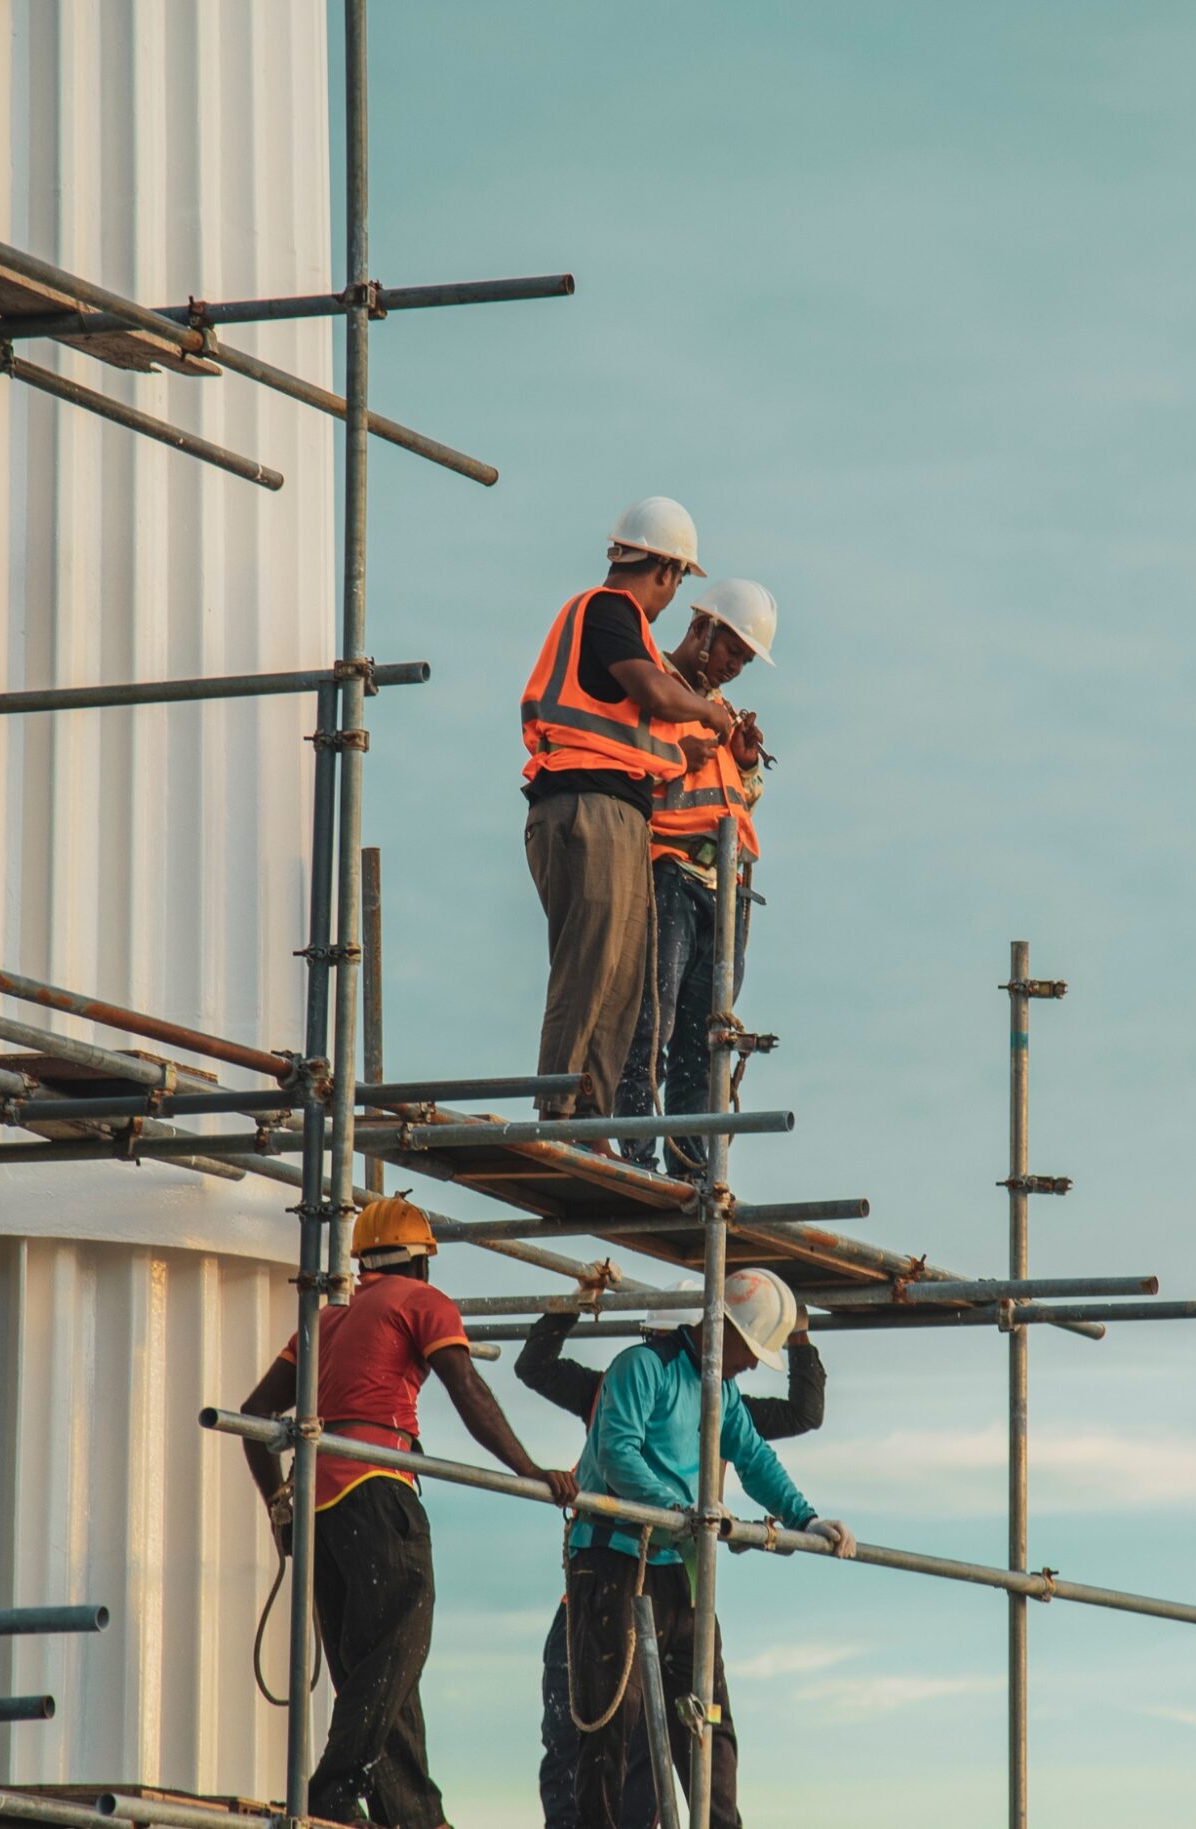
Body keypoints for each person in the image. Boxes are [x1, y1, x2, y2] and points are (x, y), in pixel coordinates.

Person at [237, 1194, 579, 1828]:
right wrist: (529, 1469)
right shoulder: (421, 1301)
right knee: (399, 1646)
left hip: (318, 1506)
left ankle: (413, 1815)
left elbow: (254, 1417)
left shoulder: (324, 1321)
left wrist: (280, 1503)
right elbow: (467, 1388)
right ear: (420, 1261)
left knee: (374, 1666)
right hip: (377, 1485)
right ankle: (333, 1789)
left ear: (364, 1261)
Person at [517, 1284, 828, 1829]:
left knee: (709, 1724)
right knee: (610, 1723)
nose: (754, 1365)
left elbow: (754, 1457)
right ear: (724, 1328)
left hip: (679, 1572)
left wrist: (806, 1519)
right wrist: (677, 1510)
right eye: (752, 1350)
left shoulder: (721, 1391)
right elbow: (616, 1452)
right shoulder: (640, 1369)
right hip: (617, 1563)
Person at [521, 499, 738, 1133]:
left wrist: (683, 753)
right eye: (678, 580)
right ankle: (561, 1113)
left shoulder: (623, 627)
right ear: (667, 570)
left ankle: (592, 1121)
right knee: (590, 965)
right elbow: (651, 691)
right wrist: (709, 712)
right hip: (585, 808)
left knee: (622, 982)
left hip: (616, 811)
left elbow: (629, 730)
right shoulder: (609, 609)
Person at [610, 579, 778, 1174]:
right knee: (650, 1022)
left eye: (746, 659)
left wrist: (746, 764)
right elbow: (626, 768)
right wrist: (681, 758)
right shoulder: (651, 683)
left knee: (703, 1042)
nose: (735, 666)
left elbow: (736, 799)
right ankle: (635, 1156)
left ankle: (691, 1168)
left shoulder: (722, 714)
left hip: (723, 889)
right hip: (670, 874)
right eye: (732, 650)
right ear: (702, 629)